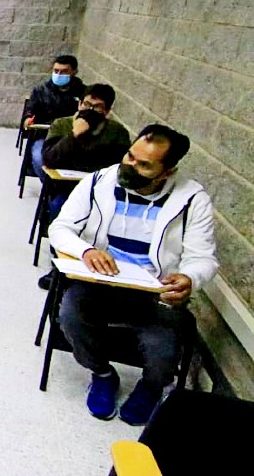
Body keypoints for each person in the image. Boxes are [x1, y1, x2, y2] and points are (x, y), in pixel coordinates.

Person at [49, 124, 217, 426]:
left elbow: (202, 258)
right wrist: (86, 251)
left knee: (163, 348)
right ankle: (102, 373)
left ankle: (151, 387)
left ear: (167, 171)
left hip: (154, 292)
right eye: (130, 156)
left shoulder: (192, 199)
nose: (130, 166)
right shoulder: (100, 181)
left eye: (144, 165)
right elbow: (60, 228)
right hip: (102, 283)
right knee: (70, 315)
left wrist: (189, 278)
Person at [36, 84, 132, 289]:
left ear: (106, 111)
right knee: (58, 207)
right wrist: (74, 135)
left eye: (96, 107)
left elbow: (118, 167)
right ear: (79, 103)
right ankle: (59, 265)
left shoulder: (117, 132)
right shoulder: (62, 125)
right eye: (86, 104)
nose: (89, 110)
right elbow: (50, 160)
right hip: (65, 188)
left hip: (101, 191)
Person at [26, 55, 86, 176]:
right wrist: (27, 119)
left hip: (73, 137)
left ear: (74, 72)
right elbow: (30, 111)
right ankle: (49, 190)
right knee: (40, 159)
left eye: (64, 72)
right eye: (56, 71)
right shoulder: (41, 90)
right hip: (45, 136)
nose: (58, 74)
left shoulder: (83, 92)